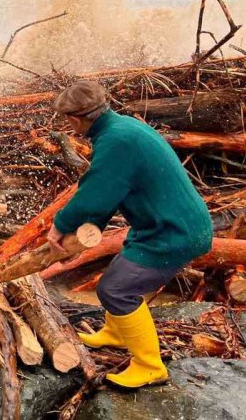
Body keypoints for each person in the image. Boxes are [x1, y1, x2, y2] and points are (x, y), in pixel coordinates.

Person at [49, 80, 213, 388]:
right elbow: (110, 191)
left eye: (66, 119)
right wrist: (90, 226)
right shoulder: (119, 129)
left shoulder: (116, 141)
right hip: (162, 225)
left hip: (174, 232)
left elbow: (94, 193)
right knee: (121, 271)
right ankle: (117, 333)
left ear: (75, 118)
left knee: (116, 289)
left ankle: (150, 366)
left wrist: (60, 225)